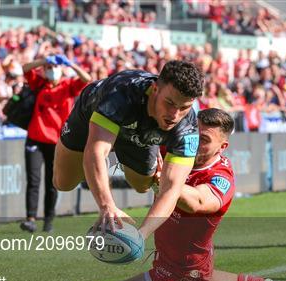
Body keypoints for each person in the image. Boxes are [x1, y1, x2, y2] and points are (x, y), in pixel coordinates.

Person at [88, 108, 286, 281]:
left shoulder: (221, 177)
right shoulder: (180, 151)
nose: (195, 143)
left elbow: (198, 201)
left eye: (205, 140)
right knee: (205, 279)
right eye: (193, 135)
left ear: (222, 147)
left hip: (179, 273)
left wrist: (166, 180)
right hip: (191, 263)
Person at [53, 60, 204, 240]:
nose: (174, 115)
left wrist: (142, 235)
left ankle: (124, 150)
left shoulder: (188, 127)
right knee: (63, 183)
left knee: (142, 186)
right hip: (91, 116)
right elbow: (96, 151)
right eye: (170, 103)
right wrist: (106, 206)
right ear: (155, 89)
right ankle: (110, 149)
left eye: (184, 108)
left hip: (139, 134)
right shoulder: (121, 94)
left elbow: (171, 189)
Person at [20, 54, 91, 232]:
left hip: (56, 141)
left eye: (54, 68)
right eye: (49, 69)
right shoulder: (39, 83)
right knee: (33, 180)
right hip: (35, 138)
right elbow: (25, 68)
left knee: (52, 182)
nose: (52, 71)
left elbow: (87, 79)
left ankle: (48, 219)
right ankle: (30, 218)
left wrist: (70, 63)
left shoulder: (68, 86)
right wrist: (44, 61)